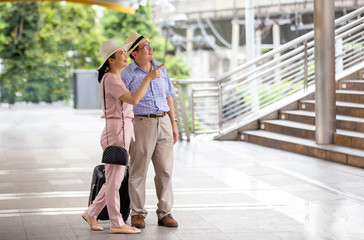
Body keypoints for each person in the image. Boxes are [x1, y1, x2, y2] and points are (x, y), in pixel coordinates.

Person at [82, 39, 163, 234]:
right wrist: (148, 78)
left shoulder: (113, 79)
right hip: (117, 131)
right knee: (115, 181)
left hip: (121, 130)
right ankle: (117, 223)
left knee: (113, 179)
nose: (125, 56)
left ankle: (91, 212)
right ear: (110, 60)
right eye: (121, 54)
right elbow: (134, 99)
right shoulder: (110, 79)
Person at [120, 32, 179, 228]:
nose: (150, 48)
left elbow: (169, 95)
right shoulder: (127, 74)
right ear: (134, 54)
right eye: (145, 47)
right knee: (139, 171)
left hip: (163, 122)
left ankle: (165, 213)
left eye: (149, 44)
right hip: (141, 123)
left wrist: (174, 122)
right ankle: (137, 214)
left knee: (165, 170)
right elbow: (124, 101)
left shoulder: (160, 68)